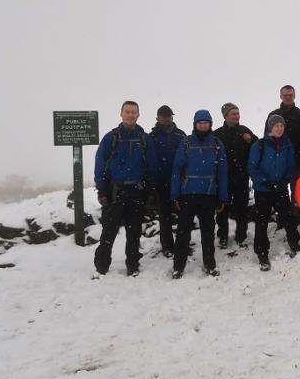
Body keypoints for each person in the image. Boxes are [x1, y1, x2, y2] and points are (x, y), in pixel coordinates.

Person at [93, 101, 158, 277]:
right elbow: (99, 163)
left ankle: (133, 265)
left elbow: (151, 166)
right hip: (115, 191)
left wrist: (151, 190)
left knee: (134, 231)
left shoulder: (145, 139)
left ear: (138, 115)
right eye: (127, 112)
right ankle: (101, 266)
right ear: (121, 114)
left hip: (136, 191)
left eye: (134, 112)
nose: (130, 115)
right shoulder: (111, 137)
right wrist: (102, 189)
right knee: (109, 231)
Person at [170, 110, 229, 278]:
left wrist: (222, 196)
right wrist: (175, 195)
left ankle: (210, 264)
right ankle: (178, 266)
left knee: (208, 232)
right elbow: (176, 169)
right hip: (188, 193)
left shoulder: (217, 144)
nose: (203, 125)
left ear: (210, 124)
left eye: (206, 122)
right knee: (183, 232)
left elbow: (223, 172)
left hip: (209, 194)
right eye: (200, 122)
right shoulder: (186, 142)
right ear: (195, 124)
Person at [247, 114, 300, 271]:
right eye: (276, 125)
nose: (279, 128)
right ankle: (262, 253)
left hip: (280, 188)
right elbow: (252, 167)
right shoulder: (259, 145)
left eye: (281, 126)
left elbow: (291, 165)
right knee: (262, 222)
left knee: (288, 217)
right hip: (263, 191)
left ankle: (294, 242)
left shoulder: (287, 144)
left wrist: (285, 179)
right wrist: (264, 181)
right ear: (270, 127)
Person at [213, 103, 258, 248]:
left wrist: (250, 140)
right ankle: (223, 235)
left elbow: (258, 146)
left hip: (241, 176)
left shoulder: (244, 131)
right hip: (223, 177)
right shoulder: (217, 134)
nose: (237, 116)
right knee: (222, 208)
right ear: (225, 116)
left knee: (241, 207)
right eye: (233, 114)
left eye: (238, 113)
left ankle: (241, 235)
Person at [148, 105, 186, 258]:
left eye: (169, 116)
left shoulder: (181, 135)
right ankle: (167, 246)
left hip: (180, 182)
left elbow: (187, 157)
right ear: (158, 118)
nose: (166, 118)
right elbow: (149, 161)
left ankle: (182, 244)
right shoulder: (152, 137)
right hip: (161, 183)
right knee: (164, 217)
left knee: (184, 215)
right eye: (163, 116)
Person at [268, 85, 300, 198]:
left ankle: (298, 214)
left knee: (298, 191)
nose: (288, 97)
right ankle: (282, 214)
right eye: (285, 95)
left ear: (294, 96)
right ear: (280, 96)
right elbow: (267, 138)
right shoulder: (273, 115)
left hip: (296, 160)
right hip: (277, 159)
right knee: (278, 190)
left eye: (290, 95)